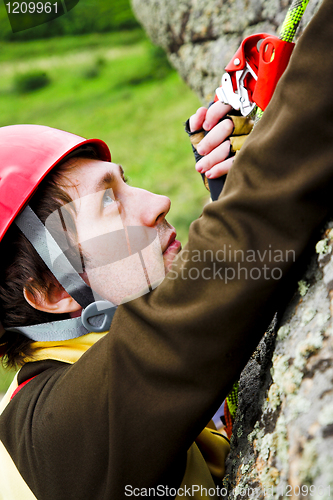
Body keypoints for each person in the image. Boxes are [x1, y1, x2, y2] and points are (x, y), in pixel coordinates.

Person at [1, 0, 333, 497]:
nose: (160, 202)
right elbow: (227, 261)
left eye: (126, 182)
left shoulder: (74, 373)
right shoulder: (52, 438)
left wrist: (236, 174)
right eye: (110, 202)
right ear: (49, 291)